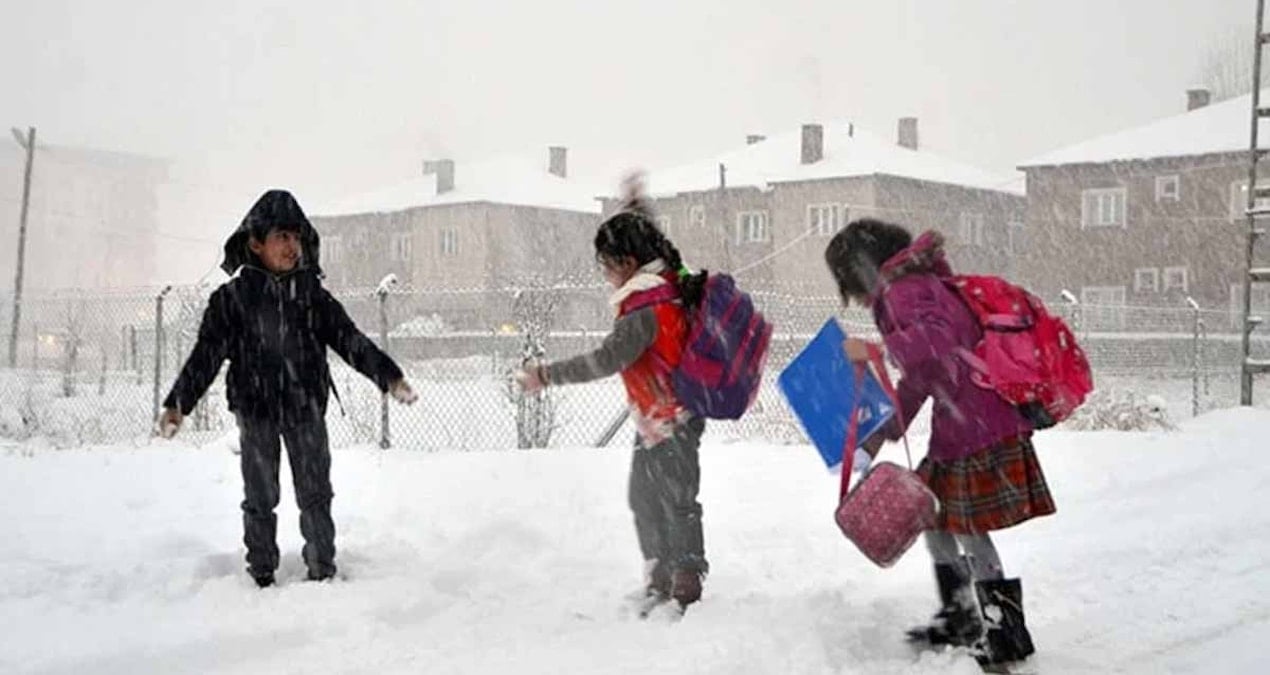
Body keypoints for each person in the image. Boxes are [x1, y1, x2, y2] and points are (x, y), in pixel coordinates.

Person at [158, 189, 418, 588]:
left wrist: (389, 376)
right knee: (260, 497)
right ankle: (261, 573)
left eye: (296, 237)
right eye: (282, 237)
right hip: (255, 409)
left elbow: (350, 341)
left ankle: (322, 571)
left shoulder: (312, 296)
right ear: (256, 242)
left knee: (316, 493)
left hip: (304, 409)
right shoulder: (232, 300)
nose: (291, 246)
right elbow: (205, 356)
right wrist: (178, 404)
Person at [825, 219, 1054, 665]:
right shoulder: (910, 287)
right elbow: (921, 377)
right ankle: (961, 616)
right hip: (964, 421)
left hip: (978, 424)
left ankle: (1002, 631)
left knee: (969, 527)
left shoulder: (906, 290)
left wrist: (874, 348)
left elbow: (937, 340)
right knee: (936, 519)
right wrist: (883, 434)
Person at [514, 182, 710, 611]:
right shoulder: (667, 280)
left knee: (675, 501)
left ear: (627, 262)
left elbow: (606, 359)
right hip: (662, 416)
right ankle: (662, 571)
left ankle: (685, 579)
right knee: (647, 497)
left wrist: (545, 376)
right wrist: (638, 211)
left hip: (670, 417)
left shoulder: (644, 308)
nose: (604, 275)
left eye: (606, 266)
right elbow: (655, 243)